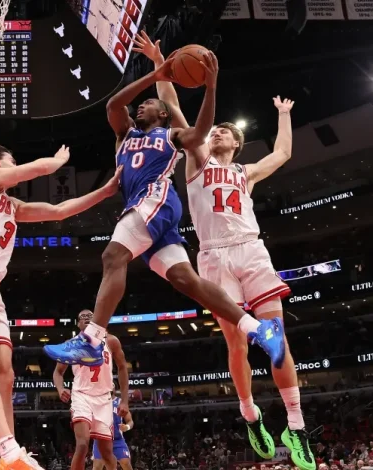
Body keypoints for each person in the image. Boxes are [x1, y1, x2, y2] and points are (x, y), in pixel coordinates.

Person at [43, 49, 287, 403]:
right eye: (140, 105)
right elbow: (114, 104)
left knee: (112, 257)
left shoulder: (172, 136)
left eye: (149, 103)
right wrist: (156, 74)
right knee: (187, 281)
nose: (141, 106)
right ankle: (259, 330)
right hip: (145, 209)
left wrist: (210, 86)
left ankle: (91, 339)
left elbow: (200, 131)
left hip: (156, 200)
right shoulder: (124, 134)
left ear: (163, 113)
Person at [130, 31, 313, 470]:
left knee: (278, 340)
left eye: (224, 132)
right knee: (236, 342)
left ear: (236, 143)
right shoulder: (196, 160)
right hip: (213, 255)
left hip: (251, 250)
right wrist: (161, 65)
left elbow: (283, 152)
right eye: (214, 130)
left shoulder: (247, 173)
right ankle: (250, 415)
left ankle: (296, 425)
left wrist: (284, 114)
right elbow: (173, 105)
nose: (216, 133)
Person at [0, 140, 123, 470]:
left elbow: (60, 210)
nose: (15, 164)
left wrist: (105, 192)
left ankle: (8, 455)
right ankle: (9, 452)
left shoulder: (11, 205)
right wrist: (57, 161)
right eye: (11, 159)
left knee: (6, 374)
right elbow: (35, 169)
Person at [52, 311, 127, 470]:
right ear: (78, 324)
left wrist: (125, 400)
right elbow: (58, 372)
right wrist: (60, 388)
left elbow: (122, 368)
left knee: (107, 453)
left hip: (104, 399)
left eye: (90, 316)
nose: (86, 317)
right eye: (82, 317)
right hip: (81, 395)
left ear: (96, 321)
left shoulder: (111, 341)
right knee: (82, 444)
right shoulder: (71, 344)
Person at [92, 385, 133, 470]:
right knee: (97, 467)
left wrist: (127, 427)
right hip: (101, 440)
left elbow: (130, 421)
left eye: (112, 385)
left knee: (126, 463)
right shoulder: (97, 402)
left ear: (114, 389)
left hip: (117, 440)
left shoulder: (120, 402)